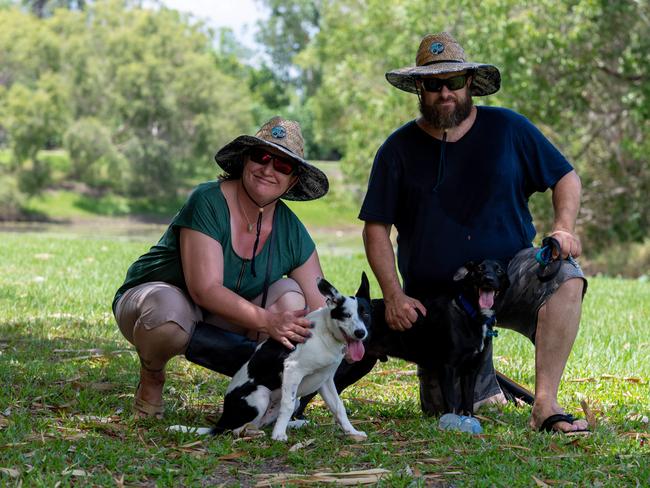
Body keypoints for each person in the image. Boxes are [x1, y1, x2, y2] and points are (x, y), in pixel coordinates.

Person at [359, 32, 588, 433]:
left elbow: (566, 177)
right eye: (433, 84)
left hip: (509, 275)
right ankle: (481, 374)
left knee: (567, 276)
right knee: (449, 410)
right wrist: (394, 295)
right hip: (439, 304)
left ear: (469, 83)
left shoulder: (509, 128)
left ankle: (545, 405)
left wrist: (563, 228)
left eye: (454, 81)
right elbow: (376, 228)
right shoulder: (396, 149)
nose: (445, 92)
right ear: (419, 88)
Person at [112, 117, 329, 419]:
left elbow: (322, 308)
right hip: (157, 305)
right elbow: (205, 289)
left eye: (282, 165)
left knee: (293, 299)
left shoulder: (292, 230)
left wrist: (352, 336)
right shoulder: (207, 199)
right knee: (166, 313)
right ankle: (152, 377)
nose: (268, 169)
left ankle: (265, 396)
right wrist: (267, 320)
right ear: (244, 160)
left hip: (225, 318)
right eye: (262, 157)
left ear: (292, 180)